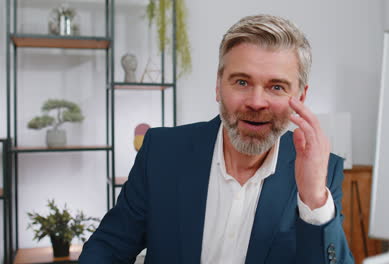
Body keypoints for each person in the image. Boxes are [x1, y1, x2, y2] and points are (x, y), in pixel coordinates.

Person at [79, 14, 354, 264]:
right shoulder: (162, 152)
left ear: (301, 97)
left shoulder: (324, 172)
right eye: (242, 82)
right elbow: (108, 248)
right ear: (218, 86)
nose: (257, 102)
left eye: (276, 87)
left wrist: (314, 199)